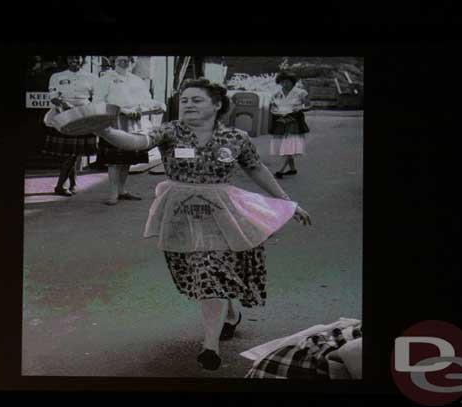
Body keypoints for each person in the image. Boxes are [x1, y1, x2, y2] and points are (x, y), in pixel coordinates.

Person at [95, 78, 311, 370]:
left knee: (211, 270)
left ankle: (210, 346)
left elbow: (256, 169)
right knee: (201, 272)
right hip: (180, 213)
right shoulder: (171, 130)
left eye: (196, 100)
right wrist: (102, 129)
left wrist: (288, 202)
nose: (188, 105)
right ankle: (230, 314)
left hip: (224, 212)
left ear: (217, 104)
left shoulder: (236, 137)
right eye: (184, 100)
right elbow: (137, 142)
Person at [93, 56, 167, 205]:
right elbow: (98, 101)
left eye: (128, 59)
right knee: (114, 160)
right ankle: (113, 193)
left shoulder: (137, 80)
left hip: (135, 122)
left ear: (132, 62)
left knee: (126, 159)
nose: (124, 62)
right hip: (113, 121)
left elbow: (146, 100)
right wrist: (121, 110)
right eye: (120, 59)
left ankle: (122, 190)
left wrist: (158, 104)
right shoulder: (105, 79)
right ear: (114, 61)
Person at [42, 56, 99, 196]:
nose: (74, 60)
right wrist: (64, 104)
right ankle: (61, 186)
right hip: (63, 115)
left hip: (83, 115)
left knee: (74, 152)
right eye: (71, 58)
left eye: (77, 58)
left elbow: (97, 97)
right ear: (67, 60)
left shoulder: (91, 77)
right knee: (72, 152)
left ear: (82, 60)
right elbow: (53, 96)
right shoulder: (57, 76)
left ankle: (70, 184)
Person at [269, 71, 312, 178]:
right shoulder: (277, 94)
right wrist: (275, 111)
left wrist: (300, 108)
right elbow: (272, 108)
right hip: (281, 121)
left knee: (289, 145)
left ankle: (281, 170)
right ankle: (292, 169)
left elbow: (309, 105)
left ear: (292, 82)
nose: (285, 84)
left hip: (294, 121)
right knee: (284, 145)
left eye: (287, 81)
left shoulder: (301, 93)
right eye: (282, 82)